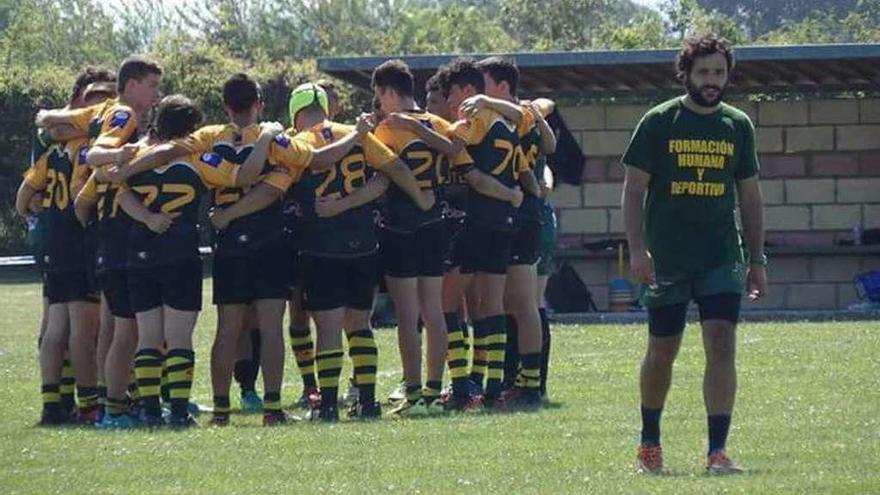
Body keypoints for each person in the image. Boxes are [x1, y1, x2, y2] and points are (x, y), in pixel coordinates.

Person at [621, 34, 767, 474]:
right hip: (667, 258)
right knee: (663, 349)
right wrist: (638, 251)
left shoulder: (737, 125)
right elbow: (632, 191)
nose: (712, 80)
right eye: (703, 72)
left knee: (722, 343)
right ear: (685, 73)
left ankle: (717, 452)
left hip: (721, 256)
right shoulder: (659, 121)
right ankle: (650, 442)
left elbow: (751, 198)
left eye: (719, 72)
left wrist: (757, 260)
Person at [370, 59, 473, 416]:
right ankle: (433, 390)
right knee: (434, 309)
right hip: (436, 223)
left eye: (379, 95)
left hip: (401, 223)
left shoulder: (388, 128)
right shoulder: (438, 122)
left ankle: (413, 390)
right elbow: (457, 149)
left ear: (388, 92)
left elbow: (384, 173)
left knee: (407, 312)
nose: (380, 103)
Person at [18, 72, 116, 425]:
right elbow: (82, 198)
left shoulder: (54, 150)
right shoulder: (89, 149)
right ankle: (89, 403)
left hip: (52, 240)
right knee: (82, 328)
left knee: (55, 324)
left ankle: (52, 403)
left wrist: (40, 212)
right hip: (77, 239)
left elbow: (21, 201)